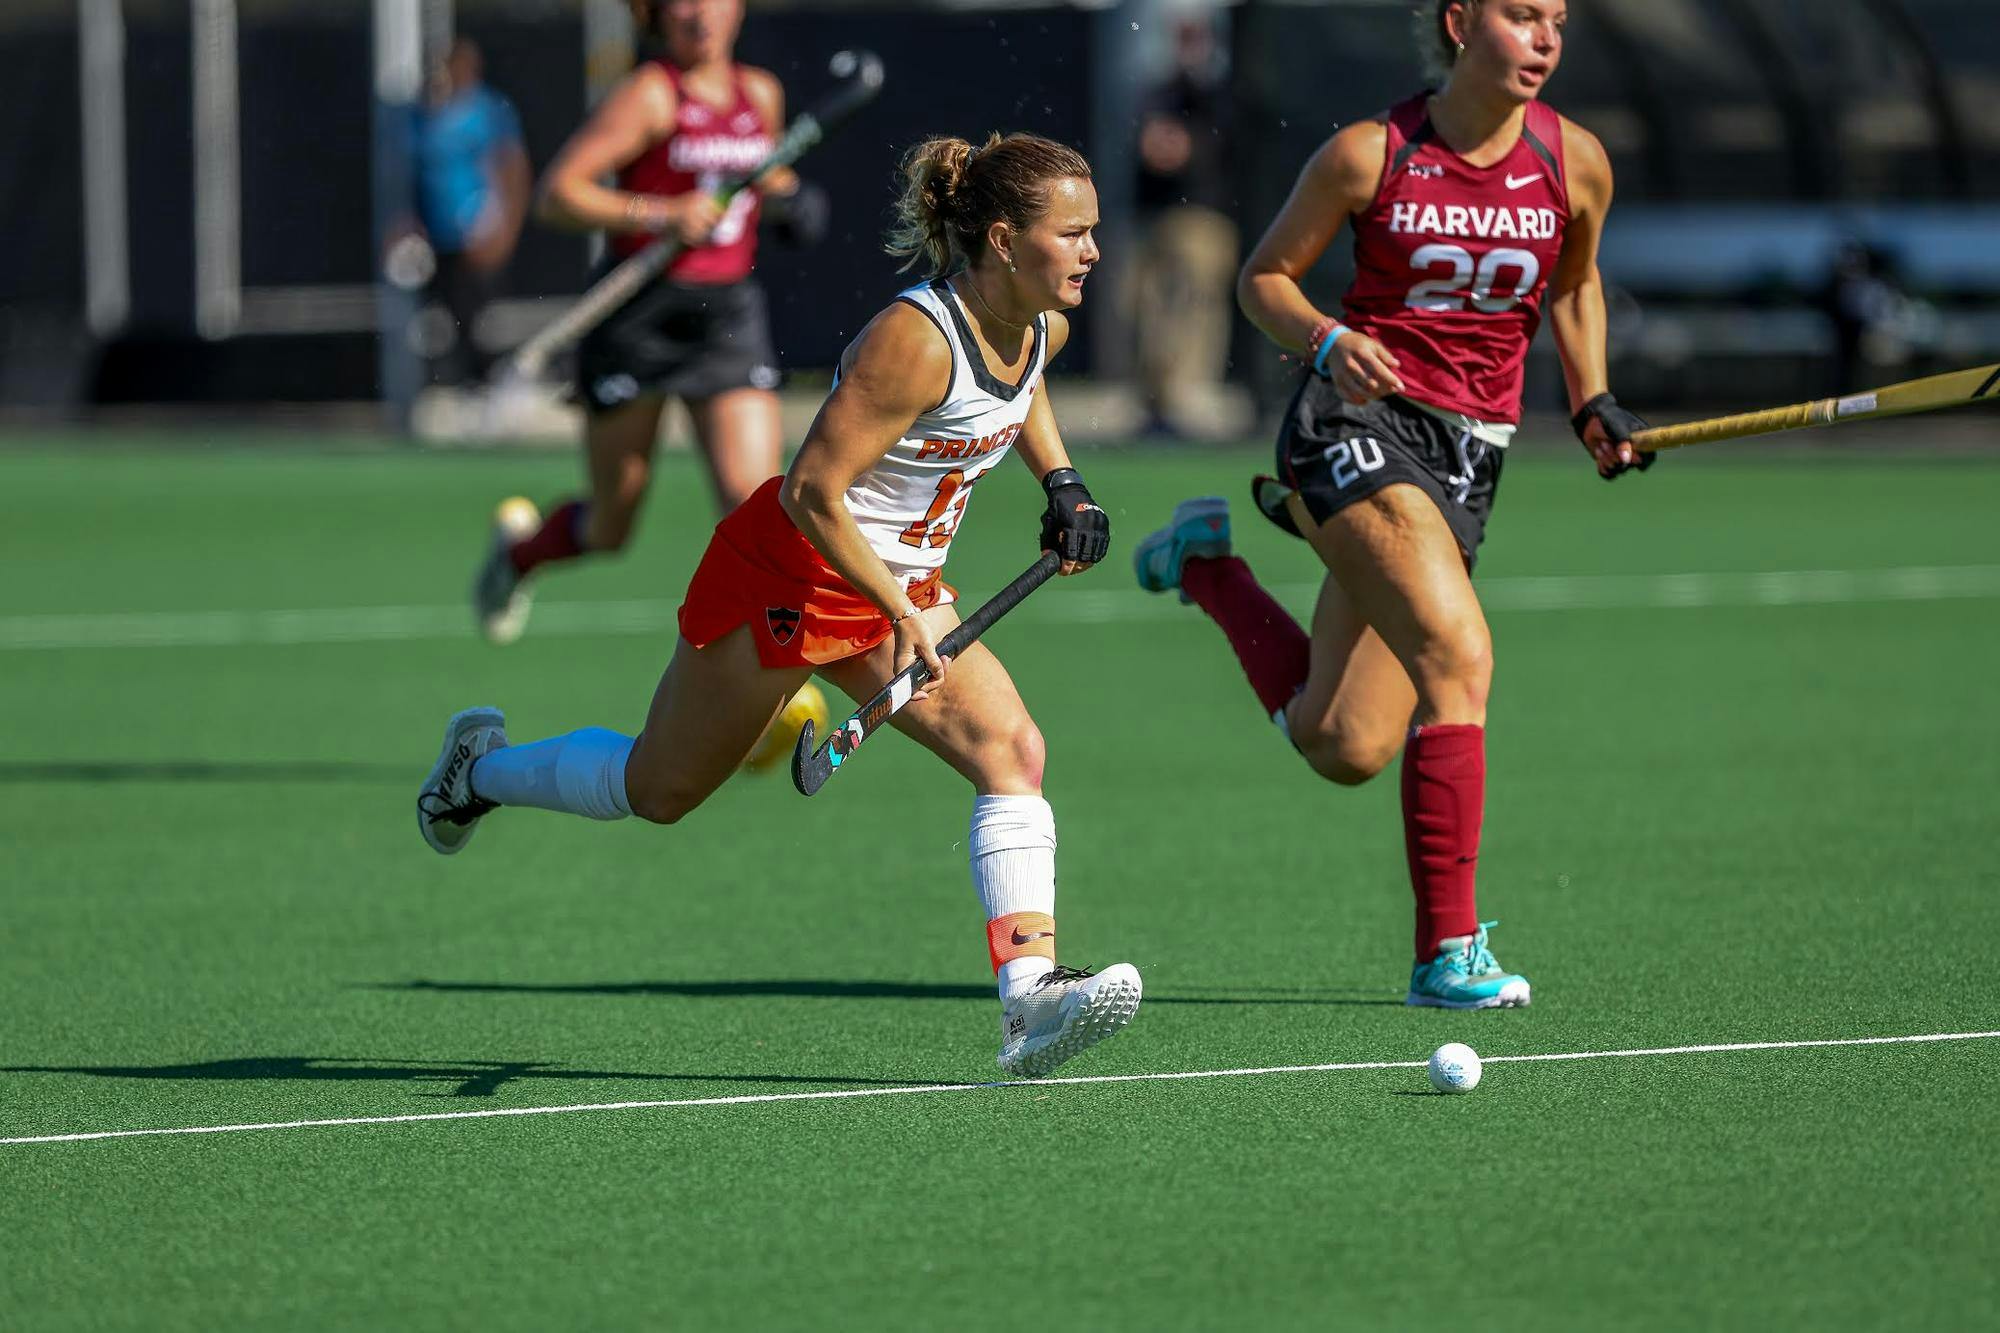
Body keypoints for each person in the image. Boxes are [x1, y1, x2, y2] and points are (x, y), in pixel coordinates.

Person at [420, 132, 1141, 1078]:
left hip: (895, 593)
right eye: (1073, 232)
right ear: (1003, 240)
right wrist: (905, 610)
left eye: (1093, 231)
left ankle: (1029, 1003)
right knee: (658, 790)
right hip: (793, 579)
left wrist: (1064, 482)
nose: (1093, 251)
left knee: (1012, 750)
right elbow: (809, 490)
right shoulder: (916, 342)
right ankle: (479, 773)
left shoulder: (1045, 318)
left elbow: (1025, 382)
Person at [1132, 0, 1654, 1008]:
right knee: (1456, 656)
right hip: (1350, 426)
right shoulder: (1369, 154)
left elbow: (1573, 284)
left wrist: (1589, 396)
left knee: (1342, 742)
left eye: (1554, 20)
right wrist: (1327, 339)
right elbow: (1262, 279)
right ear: (1461, 22)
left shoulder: (1573, 160)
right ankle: (1444, 952)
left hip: (1468, 459)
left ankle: (1206, 564)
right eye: (1519, 16)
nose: (1543, 38)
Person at [472, 0, 825, 646]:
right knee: (611, 525)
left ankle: (763, 666)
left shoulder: (760, 93)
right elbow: (559, 194)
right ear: (657, 16)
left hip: (727, 315)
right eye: (681, 2)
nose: (699, 14)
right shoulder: (651, 96)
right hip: (640, 316)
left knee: (757, 507)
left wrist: (789, 198)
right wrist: (660, 213)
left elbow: (760, 173)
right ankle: (518, 555)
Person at [1130, 15, 1239, 437]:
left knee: (1195, 308)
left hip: (1201, 216)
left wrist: (1185, 147)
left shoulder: (1218, 92)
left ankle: (1187, 398)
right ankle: (1156, 400)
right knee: (1151, 307)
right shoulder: (1158, 91)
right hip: (1157, 216)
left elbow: (1222, 139)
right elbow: (1150, 144)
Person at [412, 38, 531, 386]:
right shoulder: (425, 114)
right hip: (439, 230)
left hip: (480, 227)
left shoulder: (489, 109)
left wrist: (505, 226)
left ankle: (494, 381)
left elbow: (512, 168)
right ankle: (464, 383)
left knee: (479, 309)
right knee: (450, 309)